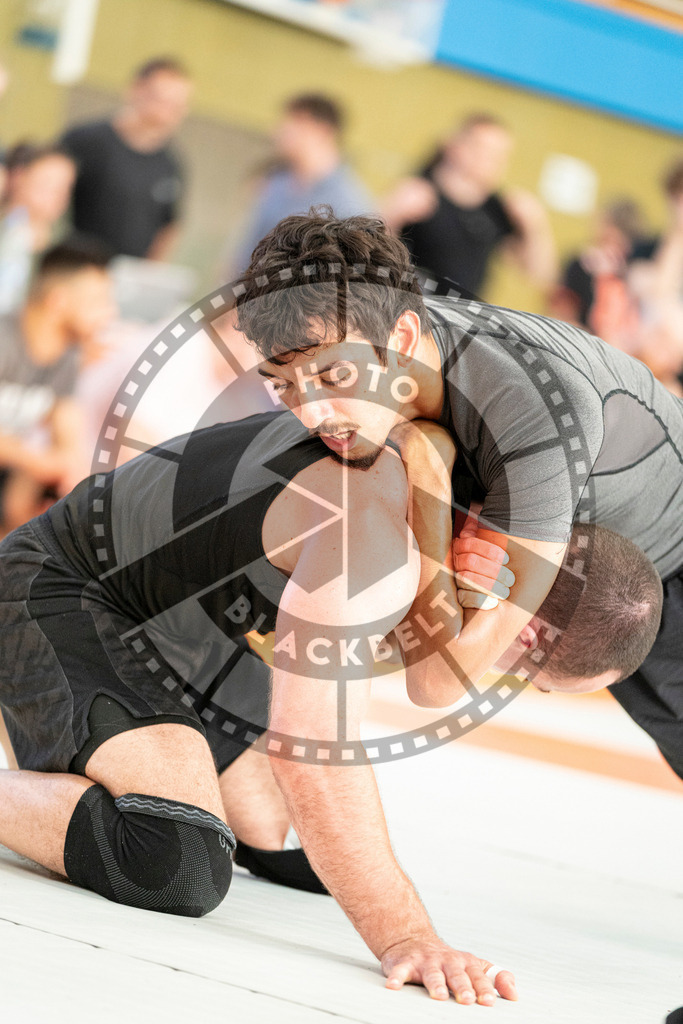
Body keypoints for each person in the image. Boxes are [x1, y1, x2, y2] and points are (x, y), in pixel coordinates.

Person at [0, 408, 517, 1007]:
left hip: (187, 619)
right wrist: (409, 936)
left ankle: (70, 733)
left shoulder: (440, 492)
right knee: (176, 856)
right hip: (64, 585)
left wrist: (474, 593)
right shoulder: (375, 519)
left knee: (270, 834)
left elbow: (426, 676)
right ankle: (48, 713)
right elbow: (319, 750)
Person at [235, 208, 683, 780]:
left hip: (662, 563)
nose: (311, 413)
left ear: (401, 337)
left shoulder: (533, 412)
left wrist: (427, 463)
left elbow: (439, 682)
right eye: (283, 386)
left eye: (332, 378)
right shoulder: (362, 343)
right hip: (589, 544)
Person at [0, 238, 114, 534]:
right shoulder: (5, 341)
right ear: (58, 300)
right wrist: (41, 463)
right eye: (97, 301)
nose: (109, 313)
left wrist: (73, 474)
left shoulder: (67, 355)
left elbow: (66, 430)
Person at [381, 113, 557, 297]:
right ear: (455, 146)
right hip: (413, 307)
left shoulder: (496, 209)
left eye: (500, 155)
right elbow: (369, 252)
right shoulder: (418, 192)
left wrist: (535, 225)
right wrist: (392, 215)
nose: (492, 162)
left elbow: (539, 276)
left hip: (463, 317)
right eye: (484, 151)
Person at [61, 58, 191, 260]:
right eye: (161, 101)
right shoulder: (86, 141)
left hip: (129, 277)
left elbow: (169, 226)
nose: (166, 113)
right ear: (136, 90)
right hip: (73, 265)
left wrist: (150, 272)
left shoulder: (171, 164)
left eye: (176, 106)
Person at [233, 94, 372, 273]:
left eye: (291, 124)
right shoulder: (276, 183)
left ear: (321, 130)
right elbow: (247, 252)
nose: (277, 132)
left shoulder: (350, 206)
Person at [0, 144, 76, 314]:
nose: (59, 194)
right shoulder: (7, 230)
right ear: (18, 177)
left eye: (66, 187)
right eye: (49, 183)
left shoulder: (65, 246)